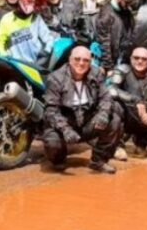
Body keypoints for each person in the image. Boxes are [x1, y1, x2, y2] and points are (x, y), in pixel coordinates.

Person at [43, 46, 121, 174]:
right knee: (52, 140)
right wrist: (65, 129)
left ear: (90, 62)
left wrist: (103, 114)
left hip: (87, 120)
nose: (81, 63)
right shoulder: (56, 78)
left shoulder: (97, 74)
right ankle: (58, 160)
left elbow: (106, 97)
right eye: (77, 59)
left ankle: (99, 160)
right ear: (69, 60)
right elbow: (51, 110)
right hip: (66, 121)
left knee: (114, 121)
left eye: (85, 60)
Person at [0, 0, 55, 65]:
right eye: (27, 0)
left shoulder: (36, 18)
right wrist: (6, 58)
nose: (29, 4)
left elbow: (48, 38)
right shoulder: (6, 19)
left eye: (33, 2)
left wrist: (46, 51)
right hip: (16, 65)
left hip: (36, 63)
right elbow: (0, 43)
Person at [96, 0, 142, 73]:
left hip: (124, 57)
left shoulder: (126, 11)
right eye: (127, 2)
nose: (129, 5)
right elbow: (104, 43)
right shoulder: (106, 14)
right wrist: (108, 67)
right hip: (111, 61)